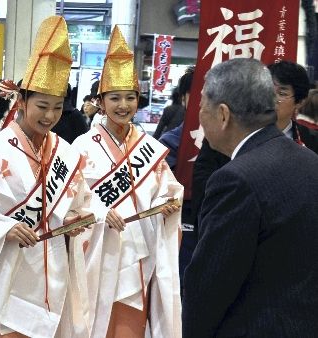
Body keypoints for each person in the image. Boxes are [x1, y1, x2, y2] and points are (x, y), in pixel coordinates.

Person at [0, 16, 93, 338]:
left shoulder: (65, 152)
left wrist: (79, 216)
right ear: (22, 102)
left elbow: (80, 200)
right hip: (8, 265)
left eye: (57, 107)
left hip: (53, 267)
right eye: (42, 106)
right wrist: (4, 227)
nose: (50, 116)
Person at [183, 58, 318, 337]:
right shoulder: (309, 161)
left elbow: (210, 286)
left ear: (223, 114)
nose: (199, 114)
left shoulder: (236, 179)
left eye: (201, 106)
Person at [72, 26, 183, 338]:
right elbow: (71, 198)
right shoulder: (82, 146)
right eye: (115, 98)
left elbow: (167, 189)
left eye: (130, 98)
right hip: (99, 249)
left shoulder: (147, 144)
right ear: (100, 100)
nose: (123, 106)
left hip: (138, 252)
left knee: (131, 325)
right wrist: (96, 212)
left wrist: (168, 204)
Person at [268, 60, 318, 154]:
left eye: (281, 93)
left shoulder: (312, 142)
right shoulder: (240, 134)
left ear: (300, 102)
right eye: (267, 90)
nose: (271, 99)